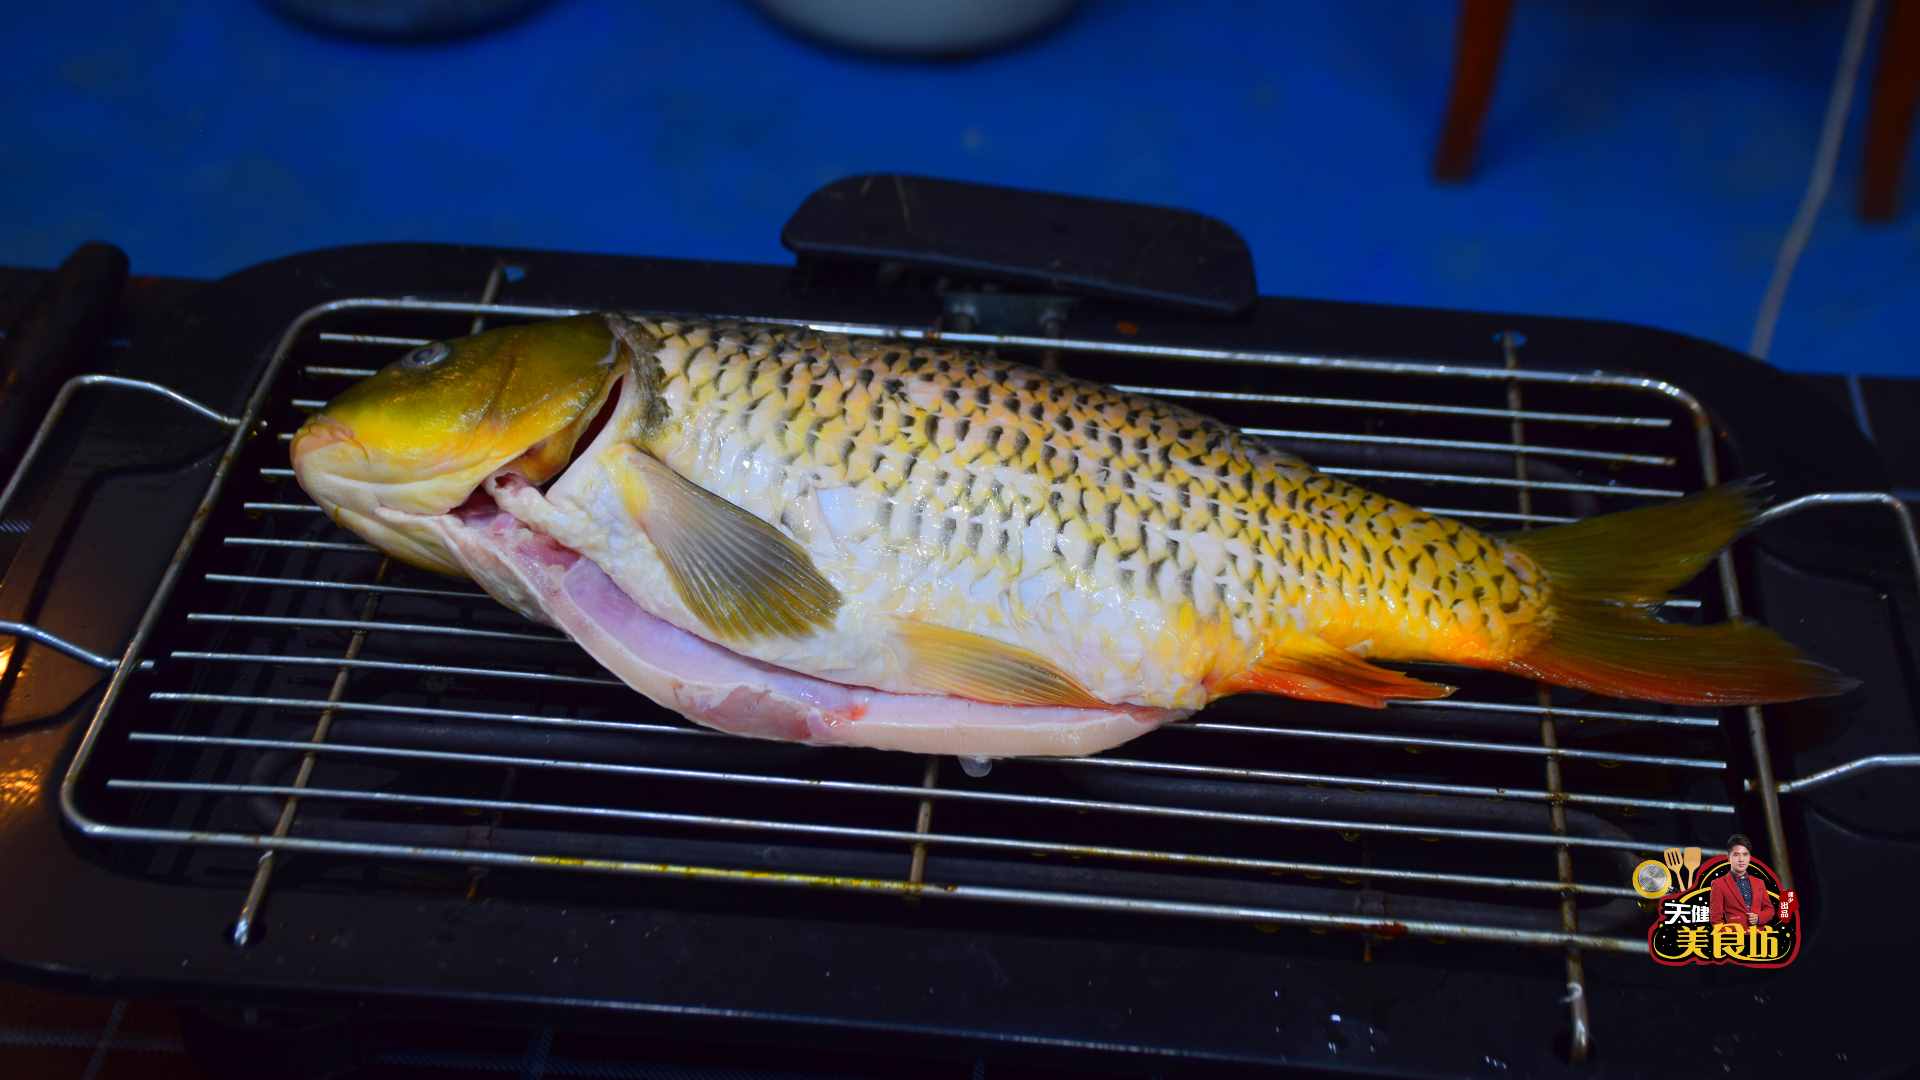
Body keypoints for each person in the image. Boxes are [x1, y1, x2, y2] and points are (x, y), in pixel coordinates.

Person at [1709, 834, 1777, 928]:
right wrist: (1730, 937)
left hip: (1759, 938)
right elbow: (1715, 919)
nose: (1741, 859)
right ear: (1729, 857)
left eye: (1745, 854)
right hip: (1735, 939)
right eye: (1736, 855)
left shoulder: (1759, 882)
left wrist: (1758, 918)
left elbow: (1769, 909)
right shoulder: (1718, 884)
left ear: (1749, 857)